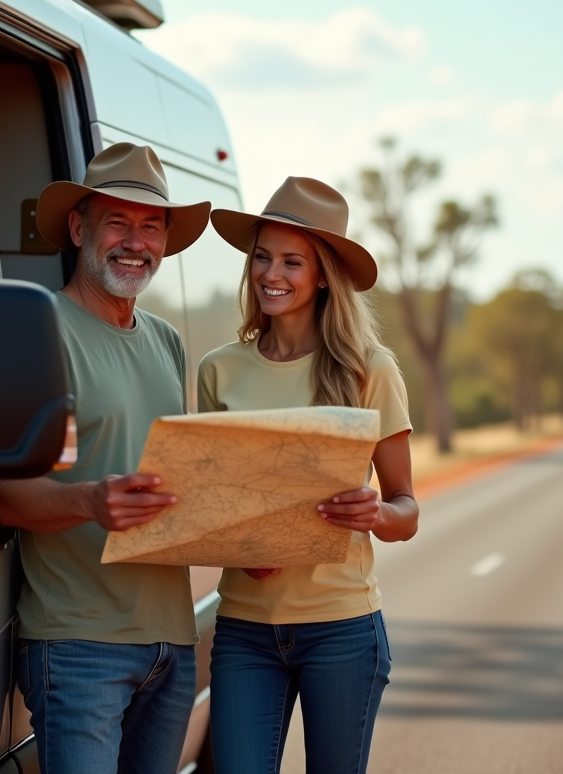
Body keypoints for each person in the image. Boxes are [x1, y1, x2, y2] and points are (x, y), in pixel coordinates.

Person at [0, 142, 210, 774]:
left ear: (166, 240)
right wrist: (91, 499)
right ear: (78, 227)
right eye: (117, 221)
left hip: (172, 641)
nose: (134, 242)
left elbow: (178, 483)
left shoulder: (167, 341)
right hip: (79, 644)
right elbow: (8, 493)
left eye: (150, 226)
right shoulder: (36, 332)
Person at [198, 177, 419, 774]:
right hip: (244, 631)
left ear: (323, 274)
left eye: (292, 261)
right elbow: (208, 504)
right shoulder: (219, 370)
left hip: (341, 631)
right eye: (262, 257)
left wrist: (375, 514)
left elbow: (406, 509)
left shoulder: (368, 369)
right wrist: (237, 544)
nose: (273, 273)